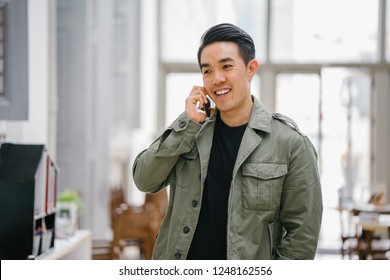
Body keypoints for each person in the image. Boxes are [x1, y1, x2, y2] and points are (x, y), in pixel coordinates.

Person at [132, 23, 323, 260]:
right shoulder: (190, 133)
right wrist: (187, 124)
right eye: (207, 71)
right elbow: (144, 179)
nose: (217, 79)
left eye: (226, 66)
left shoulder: (292, 145)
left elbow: (301, 238)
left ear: (251, 68)